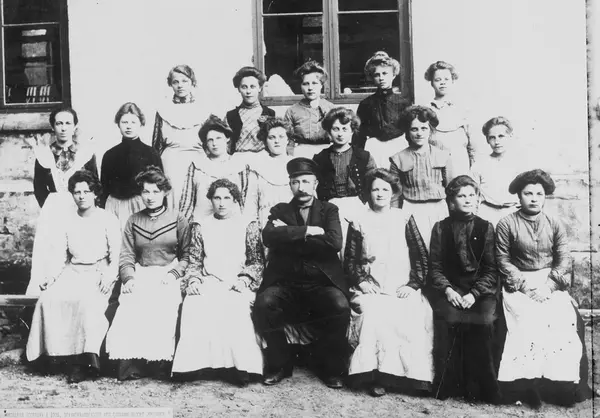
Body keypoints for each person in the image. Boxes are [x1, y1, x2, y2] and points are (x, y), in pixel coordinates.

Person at [496, 169, 592, 408]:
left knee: (561, 321)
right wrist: (526, 288)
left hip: (549, 282)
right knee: (527, 322)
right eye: (528, 193)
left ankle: (560, 388)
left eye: (539, 194)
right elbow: (503, 260)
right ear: (519, 196)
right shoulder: (507, 223)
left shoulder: (554, 223)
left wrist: (548, 287)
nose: (533, 198)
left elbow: (564, 258)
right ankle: (526, 387)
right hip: (519, 284)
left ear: (545, 196)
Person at [252, 158, 351, 389]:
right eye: (296, 182)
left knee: (340, 306)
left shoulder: (329, 209)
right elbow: (268, 236)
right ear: (290, 185)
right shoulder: (280, 210)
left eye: (306, 181)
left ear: (315, 183)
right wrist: (309, 231)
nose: (301, 187)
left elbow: (334, 242)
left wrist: (289, 235)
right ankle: (280, 364)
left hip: (321, 283)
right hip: (286, 283)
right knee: (264, 303)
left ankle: (330, 367)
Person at [344, 168, 434, 397]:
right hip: (371, 286)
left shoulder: (403, 218)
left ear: (393, 192)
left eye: (385, 189)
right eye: (375, 189)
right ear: (368, 192)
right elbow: (350, 260)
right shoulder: (358, 220)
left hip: (401, 285)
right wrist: (361, 282)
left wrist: (413, 285)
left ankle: (409, 378)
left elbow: (420, 256)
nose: (380, 194)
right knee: (373, 314)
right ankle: (376, 376)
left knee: (410, 312)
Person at [26, 170, 121, 383]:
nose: (81, 196)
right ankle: (52, 357)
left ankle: (85, 361)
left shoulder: (107, 219)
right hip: (73, 270)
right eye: (77, 192)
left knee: (87, 303)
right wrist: (51, 278)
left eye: (86, 191)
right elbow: (60, 255)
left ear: (95, 193)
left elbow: (117, 255)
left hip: (98, 272)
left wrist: (109, 277)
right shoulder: (67, 219)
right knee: (48, 300)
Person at [171, 179, 265, 387]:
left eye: (227, 198)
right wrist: (193, 280)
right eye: (217, 198)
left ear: (235, 200)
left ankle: (238, 367)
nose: (221, 203)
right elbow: (195, 261)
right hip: (210, 280)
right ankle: (198, 366)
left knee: (235, 307)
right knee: (195, 304)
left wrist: (245, 279)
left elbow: (256, 261)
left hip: (237, 281)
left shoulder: (247, 224)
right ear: (210, 200)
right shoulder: (201, 225)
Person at [105, 167, 190, 381]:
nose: (150, 197)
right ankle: (132, 365)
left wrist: (174, 273)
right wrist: (129, 278)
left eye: (155, 191)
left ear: (165, 192)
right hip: (141, 272)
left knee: (164, 305)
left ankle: (159, 365)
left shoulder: (178, 218)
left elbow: (187, 255)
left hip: (168, 272)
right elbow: (126, 255)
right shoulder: (133, 220)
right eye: (145, 191)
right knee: (131, 303)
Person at [428, 175, 501, 403]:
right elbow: (435, 267)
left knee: (485, 321)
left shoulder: (486, 227)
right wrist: (448, 290)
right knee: (450, 319)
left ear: (477, 198)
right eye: (461, 196)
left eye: (471, 195)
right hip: (451, 289)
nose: (468, 200)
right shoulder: (441, 228)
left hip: (480, 291)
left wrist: (474, 294)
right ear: (451, 202)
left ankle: (480, 388)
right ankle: (449, 384)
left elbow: (491, 269)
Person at [27, 107, 98, 296]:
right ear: (53, 127)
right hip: (53, 211)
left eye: (68, 123)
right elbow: (39, 187)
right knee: (51, 252)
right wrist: (52, 206)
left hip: (79, 208)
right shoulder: (44, 153)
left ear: (75, 126)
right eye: (59, 123)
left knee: (78, 248)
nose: (64, 128)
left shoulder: (85, 152)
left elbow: (94, 183)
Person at [312, 107, 376, 254]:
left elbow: (373, 183)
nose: (340, 134)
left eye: (344, 129)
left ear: (352, 131)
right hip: (330, 207)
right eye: (335, 129)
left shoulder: (364, 156)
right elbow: (314, 186)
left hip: (357, 205)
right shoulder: (320, 158)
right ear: (329, 131)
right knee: (336, 247)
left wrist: (364, 201)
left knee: (360, 248)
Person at [389, 105, 451, 250]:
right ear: (407, 132)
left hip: (438, 209)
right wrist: (395, 218)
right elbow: (394, 194)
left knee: (441, 250)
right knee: (417, 251)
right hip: (411, 209)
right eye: (414, 129)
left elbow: (452, 189)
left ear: (431, 130)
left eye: (424, 128)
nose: (419, 133)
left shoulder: (443, 155)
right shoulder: (398, 158)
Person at [179, 115, 255, 222]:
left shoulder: (239, 164)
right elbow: (187, 202)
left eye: (218, 138)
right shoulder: (197, 165)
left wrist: (247, 224)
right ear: (205, 143)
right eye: (210, 140)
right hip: (202, 222)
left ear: (227, 138)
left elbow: (245, 200)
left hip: (234, 223)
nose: (214, 143)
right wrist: (185, 225)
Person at [100, 102, 163, 229]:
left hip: (141, 205)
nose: (128, 126)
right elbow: (104, 188)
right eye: (124, 122)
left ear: (141, 124)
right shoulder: (109, 155)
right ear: (118, 124)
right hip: (115, 206)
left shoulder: (151, 154)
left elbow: (159, 187)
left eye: (133, 122)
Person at [152, 65, 207, 208]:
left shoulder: (203, 108)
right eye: (175, 82)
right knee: (173, 199)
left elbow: (211, 139)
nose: (180, 85)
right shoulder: (164, 109)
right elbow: (157, 143)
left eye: (184, 81)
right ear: (170, 84)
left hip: (198, 159)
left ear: (192, 82)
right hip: (172, 161)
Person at [356, 51, 411, 166]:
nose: (381, 78)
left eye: (385, 73)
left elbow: (409, 129)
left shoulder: (403, 103)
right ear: (372, 77)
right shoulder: (366, 104)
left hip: (398, 146)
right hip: (375, 147)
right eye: (377, 75)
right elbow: (359, 133)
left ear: (393, 75)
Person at [470, 117, 524, 226]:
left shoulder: (520, 163)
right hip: (487, 213)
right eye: (492, 138)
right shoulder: (479, 165)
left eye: (501, 136)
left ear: (510, 136)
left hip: (513, 213)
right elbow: (473, 195)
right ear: (487, 140)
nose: (497, 142)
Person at [424, 61, 474, 180]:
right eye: (438, 80)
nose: (442, 82)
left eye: (446, 79)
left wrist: (474, 165)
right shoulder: (426, 110)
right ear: (431, 83)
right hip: (435, 161)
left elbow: (472, 141)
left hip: (459, 161)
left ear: (452, 81)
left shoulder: (462, 108)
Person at [247, 116, 294, 231]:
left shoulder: (296, 164)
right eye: (272, 137)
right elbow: (251, 201)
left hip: (293, 221)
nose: (277, 141)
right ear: (265, 140)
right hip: (266, 221)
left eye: (281, 137)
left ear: (288, 139)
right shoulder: (257, 166)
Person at [284, 60, 334, 158]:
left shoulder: (331, 109)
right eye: (305, 84)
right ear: (300, 85)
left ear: (321, 85)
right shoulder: (292, 111)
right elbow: (288, 140)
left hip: (327, 153)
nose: (310, 88)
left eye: (314, 83)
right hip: (301, 153)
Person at [225, 66, 275, 156]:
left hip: (263, 158)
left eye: (252, 87)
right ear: (239, 89)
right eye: (244, 87)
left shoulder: (270, 113)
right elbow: (226, 144)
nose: (248, 91)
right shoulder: (231, 116)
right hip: (238, 158)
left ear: (260, 88)